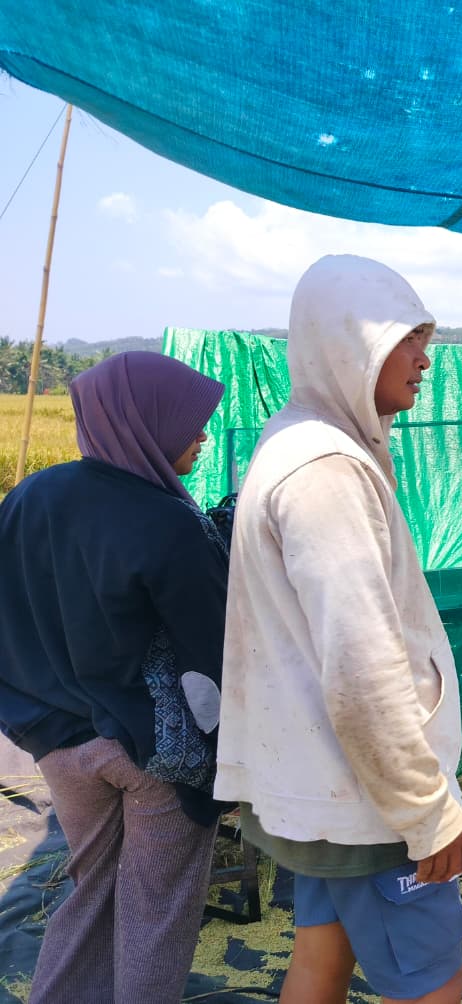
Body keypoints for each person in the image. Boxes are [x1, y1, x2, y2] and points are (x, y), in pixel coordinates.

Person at [215, 255, 462, 1004]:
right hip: (369, 801)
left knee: (320, 960)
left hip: (327, 785)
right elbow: (363, 670)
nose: (425, 359)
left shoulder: (299, 440)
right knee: (430, 983)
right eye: (408, 339)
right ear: (348, 346)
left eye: (426, 338)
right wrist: (427, 812)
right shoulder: (327, 471)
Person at [0, 353, 228, 1003]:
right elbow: (212, 658)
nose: (202, 435)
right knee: (155, 915)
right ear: (146, 422)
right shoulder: (167, 521)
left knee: (89, 894)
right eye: (189, 422)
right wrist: (231, 760)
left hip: (56, 744)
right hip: (152, 751)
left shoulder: (29, 497)